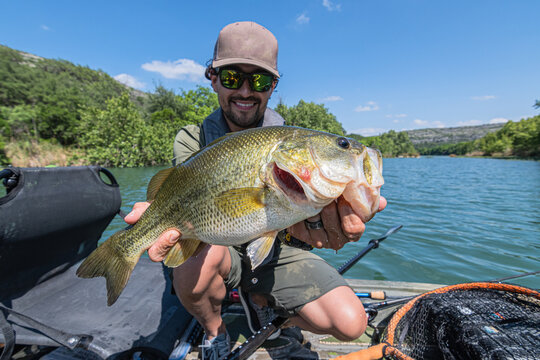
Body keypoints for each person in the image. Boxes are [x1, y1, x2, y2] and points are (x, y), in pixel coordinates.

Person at [125, 21, 387, 359]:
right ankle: (214, 330)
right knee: (192, 264)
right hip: (216, 243)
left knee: (351, 323)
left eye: (260, 80)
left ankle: (264, 305)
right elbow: (196, 211)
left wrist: (311, 223)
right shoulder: (192, 139)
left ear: (273, 85)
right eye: (233, 78)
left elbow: (284, 217)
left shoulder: (289, 138)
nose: (246, 91)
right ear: (213, 79)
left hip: (274, 249)